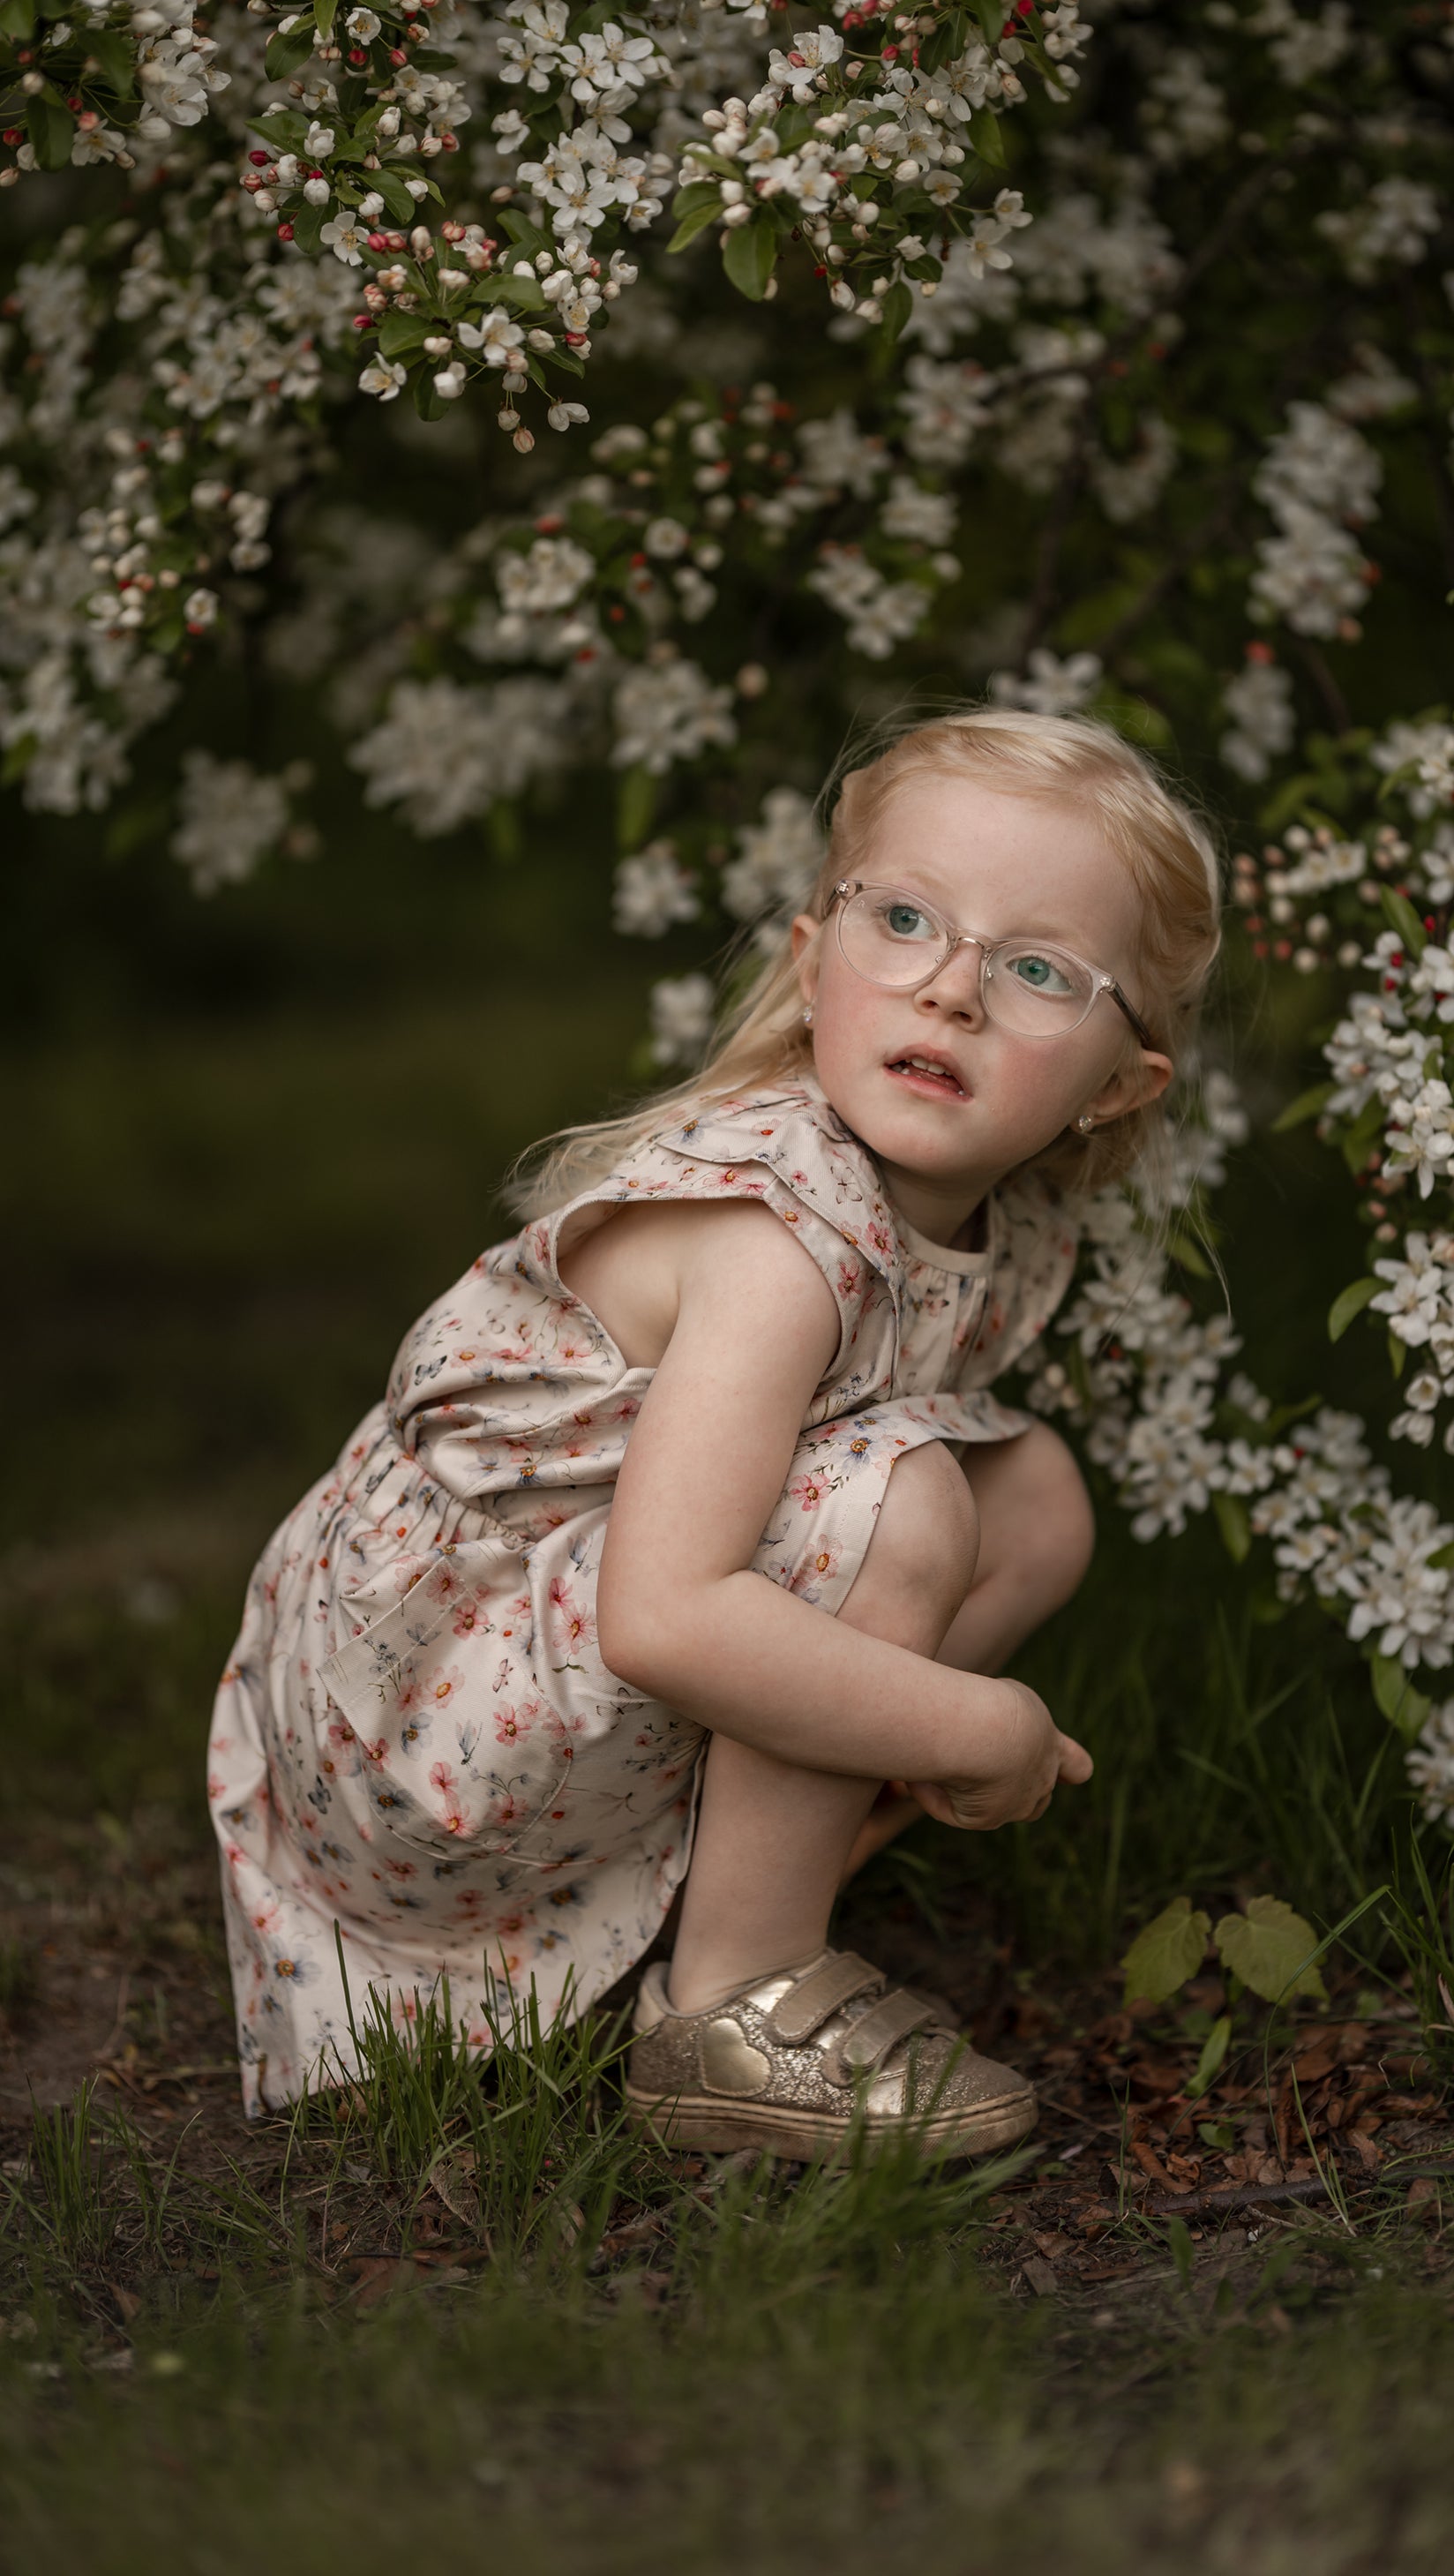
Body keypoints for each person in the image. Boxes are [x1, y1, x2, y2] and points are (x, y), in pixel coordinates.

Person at [208, 707, 1222, 2153]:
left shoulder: (988, 1221)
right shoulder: (774, 1234)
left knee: (1036, 1491)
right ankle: (728, 2006)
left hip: (523, 1665)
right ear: (814, 966)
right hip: (414, 1732)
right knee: (909, 1495)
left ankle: (728, 1901)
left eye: (1039, 969)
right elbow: (666, 1621)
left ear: (1115, 1086)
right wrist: (969, 1721)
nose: (950, 991)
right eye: (908, 920)